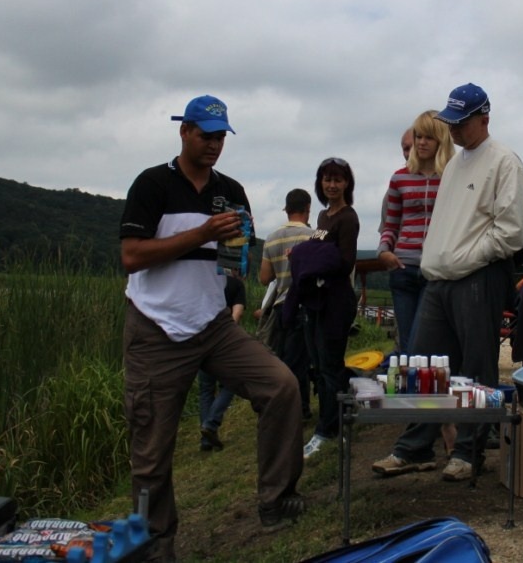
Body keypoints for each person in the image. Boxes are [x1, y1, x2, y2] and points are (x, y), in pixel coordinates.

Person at [119, 95, 304, 554]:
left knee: (281, 386)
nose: (214, 145)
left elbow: (232, 256)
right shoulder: (152, 184)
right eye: (205, 135)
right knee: (152, 447)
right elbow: (131, 256)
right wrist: (200, 233)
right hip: (156, 328)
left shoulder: (231, 189)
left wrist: (240, 246)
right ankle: (156, 542)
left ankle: (276, 501)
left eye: (221, 137)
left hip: (213, 324)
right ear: (184, 131)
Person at [372, 82, 523, 482]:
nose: (454, 130)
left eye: (461, 122)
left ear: (484, 119)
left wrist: (467, 257)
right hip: (438, 278)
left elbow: (513, 231)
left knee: (476, 368)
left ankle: (468, 451)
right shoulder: (456, 164)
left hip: (478, 277)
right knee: (421, 365)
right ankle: (414, 447)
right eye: (451, 122)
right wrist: (438, 259)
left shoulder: (504, 162)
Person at [295, 158, 359, 460]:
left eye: (338, 179)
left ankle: (327, 429)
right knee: (319, 366)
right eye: (327, 179)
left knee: (330, 367)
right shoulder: (322, 216)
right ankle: (340, 414)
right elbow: (321, 252)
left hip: (336, 300)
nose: (332, 185)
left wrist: (311, 257)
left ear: (347, 183)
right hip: (316, 299)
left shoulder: (348, 217)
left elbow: (344, 261)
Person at [378, 110, 455, 354]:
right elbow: (391, 223)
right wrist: (383, 251)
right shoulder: (399, 178)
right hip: (403, 267)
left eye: (428, 137)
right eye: (419, 136)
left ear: (441, 140)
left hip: (436, 270)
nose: (421, 142)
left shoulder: (452, 177)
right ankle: (408, 390)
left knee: (426, 342)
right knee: (409, 342)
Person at [259, 189, 314, 419]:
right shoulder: (316, 235)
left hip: (282, 307)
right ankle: (299, 409)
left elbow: (264, 278)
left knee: (284, 359)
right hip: (307, 305)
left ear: (286, 209)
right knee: (299, 361)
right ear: (308, 209)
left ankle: (286, 407)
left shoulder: (272, 237)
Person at [196, 275, 247, 451]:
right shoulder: (235, 284)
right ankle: (211, 424)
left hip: (201, 340)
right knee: (232, 383)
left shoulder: (203, 282)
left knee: (206, 390)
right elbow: (238, 312)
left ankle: (206, 440)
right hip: (224, 343)